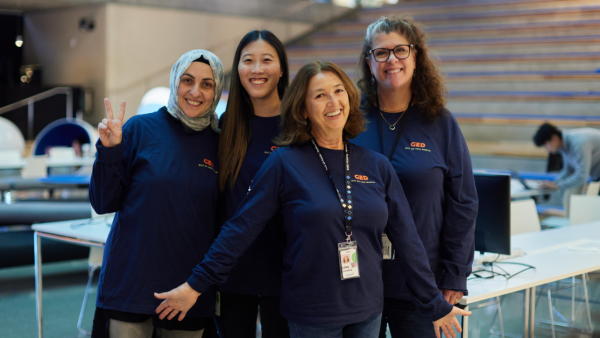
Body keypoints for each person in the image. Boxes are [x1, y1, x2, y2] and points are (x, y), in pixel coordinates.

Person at [154, 61, 471, 338]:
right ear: (303, 109)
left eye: (338, 91)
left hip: (367, 310)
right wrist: (196, 284)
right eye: (320, 95)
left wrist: (433, 303)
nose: (333, 102)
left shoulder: (376, 165)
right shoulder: (284, 163)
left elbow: (408, 241)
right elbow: (240, 229)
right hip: (312, 312)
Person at [350, 16, 479, 338]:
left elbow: (463, 202)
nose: (391, 60)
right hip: (359, 281)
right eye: (381, 53)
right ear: (369, 61)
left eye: (400, 51)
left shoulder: (440, 123)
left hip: (423, 283)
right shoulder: (351, 121)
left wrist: (455, 275)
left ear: (416, 56)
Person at [89, 49, 224, 338]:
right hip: (130, 284)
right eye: (187, 80)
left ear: (217, 91)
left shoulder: (221, 144)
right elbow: (103, 203)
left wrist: (201, 285)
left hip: (189, 290)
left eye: (206, 84)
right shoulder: (140, 129)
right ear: (175, 81)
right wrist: (109, 151)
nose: (195, 91)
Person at [215, 30, 290, 337]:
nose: (257, 69)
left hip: (286, 270)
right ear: (239, 69)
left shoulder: (299, 127)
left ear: (281, 69)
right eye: (248, 61)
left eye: (266, 60)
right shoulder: (225, 126)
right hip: (232, 271)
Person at [533, 122, 600, 212]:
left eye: (546, 145)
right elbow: (568, 170)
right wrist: (553, 183)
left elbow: (582, 176)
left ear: (554, 138)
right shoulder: (563, 146)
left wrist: (557, 186)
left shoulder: (579, 142)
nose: (546, 149)